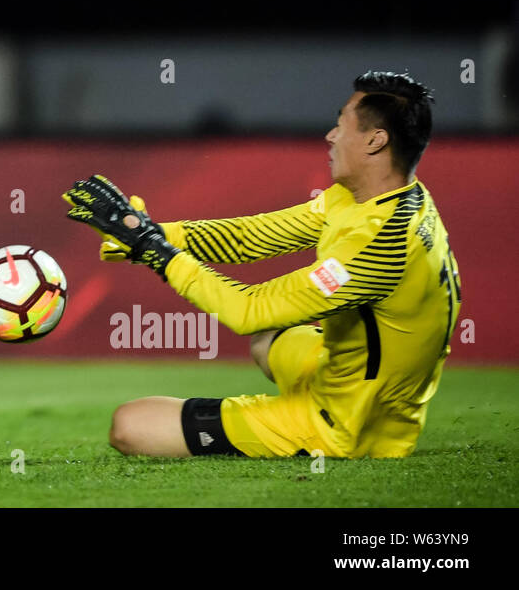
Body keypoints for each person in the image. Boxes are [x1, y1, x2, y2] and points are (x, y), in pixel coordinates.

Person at [64, 71, 459, 459]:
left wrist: (154, 250)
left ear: (375, 140)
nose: (330, 135)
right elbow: (252, 236)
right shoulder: (384, 199)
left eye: (341, 124)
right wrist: (154, 235)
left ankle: (297, 423)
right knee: (269, 340)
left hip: (352, 426)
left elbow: (248, 310)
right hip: (356, 377)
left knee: (129, 425)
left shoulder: (382, 243)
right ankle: (309, 395)